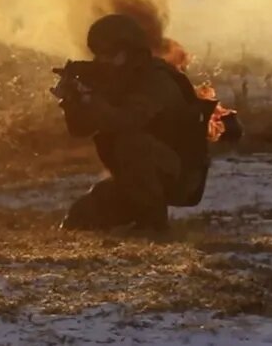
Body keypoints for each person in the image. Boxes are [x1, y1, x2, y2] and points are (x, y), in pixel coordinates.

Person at [53, 14, 210, 234]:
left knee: (132, 144)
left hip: (180, 175)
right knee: (80, 218)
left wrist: (92, 98)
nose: (103, 61)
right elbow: (80, 130)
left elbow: (126, 121)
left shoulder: (157, 80)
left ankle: (155, 227)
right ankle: (140, 216)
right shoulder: (119, 80)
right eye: (99, 55)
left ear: (132, 52)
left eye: (111, 54)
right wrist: (73, 102)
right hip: (137, 178)